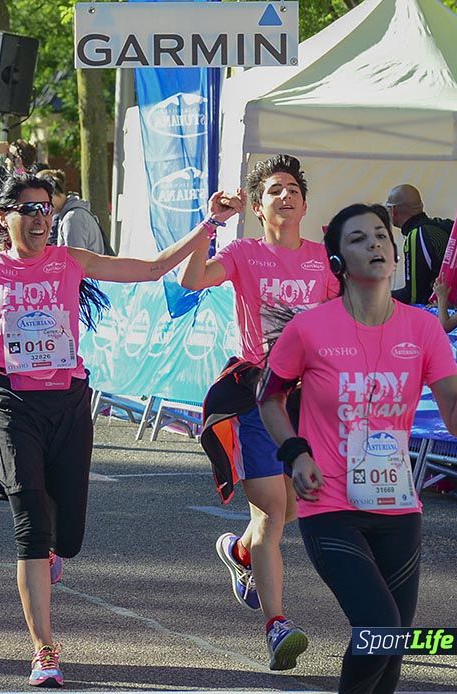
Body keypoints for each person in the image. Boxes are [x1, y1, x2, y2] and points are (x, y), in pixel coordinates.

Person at [0, 174, 226, 687]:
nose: (40, 217)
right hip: (10, 401)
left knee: (68, 537)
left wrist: (210, 224)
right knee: (30, 522)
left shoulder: (70, 262)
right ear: (4, 218)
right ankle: (44, 648)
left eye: (45, 208)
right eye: (27, 208)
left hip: (66, 402)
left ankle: (52, 557)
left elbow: (152, 268)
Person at [258, 202, 457, 694]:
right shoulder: (309, 328)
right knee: (380, 627)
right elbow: (269, 398)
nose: (375, 245)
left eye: (381, 235)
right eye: (358, 239)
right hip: (330, 504)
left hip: (398, 504)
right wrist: (296, 451)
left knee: (393, 644)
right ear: (338, 261)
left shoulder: (424, 328)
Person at [181, 154, 340, 670]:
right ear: (257, 204)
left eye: (293, 188)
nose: (285, 196)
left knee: (292, 508)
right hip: (258, 393)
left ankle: (240, 554)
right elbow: (191, 280)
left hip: (309, 399)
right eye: (274, 189)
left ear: (305, 203)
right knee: (273, 514)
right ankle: (277, 625)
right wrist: (212, 224)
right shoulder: (245, 252)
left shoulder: (323, 260)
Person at [385, 184, 451, 305]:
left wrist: (378, 295)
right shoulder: (435, 226)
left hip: (440, 314)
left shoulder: (416, 235)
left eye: (387, 208)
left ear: (394, 211)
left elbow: (413, 296)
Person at [38, 170, 106, 254]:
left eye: (40, 201)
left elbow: (75, 261)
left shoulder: (72, 219)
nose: (41, 208)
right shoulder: (73, 215)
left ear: (51, 194)